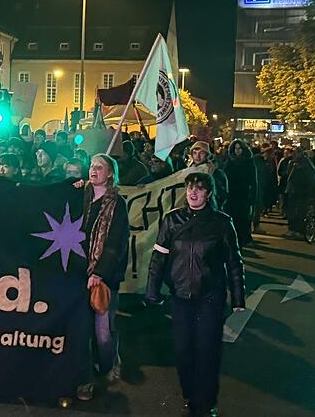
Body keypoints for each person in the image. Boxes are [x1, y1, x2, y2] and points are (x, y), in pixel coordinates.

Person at [146, 172, 246, 417]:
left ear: (209, 193)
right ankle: (190, 394)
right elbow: (158, 258)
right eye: (190, 187)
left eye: (200, 189)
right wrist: (152, 290)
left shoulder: (222, 223)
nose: (193, 192)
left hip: (210, 296)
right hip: (180, 296)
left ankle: (207, 400)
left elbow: (234, 262)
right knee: (183, 350)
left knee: (207, 350)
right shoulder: (171, 220)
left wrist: (238, 297)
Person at [76, 154, 130, 402]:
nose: (93, 170)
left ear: (110, 174)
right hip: (78, 274)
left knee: (103, 333)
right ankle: (86, 381)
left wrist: (100, 272)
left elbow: (116, 243)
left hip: (104, 277)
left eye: (100, 167)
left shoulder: (117, 204)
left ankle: (108, 363)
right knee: (82, 331)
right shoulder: (82, 196)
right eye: (91, 166)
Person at [224, 140, 257, 248]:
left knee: (242, 219)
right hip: (231, 195)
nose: (237, 151)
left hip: (243, 195)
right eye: (235, 149)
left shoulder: (249, 162)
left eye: (239, 148)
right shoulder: (229, 162)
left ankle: (242, 241)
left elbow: (253, 181)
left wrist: (253, 197)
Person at [285, 149, 315, 239]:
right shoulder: (293, 163)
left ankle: (298, 230)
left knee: (300, 211)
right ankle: (293, 229)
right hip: (295, 190)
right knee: (293, 211)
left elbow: (309, 178)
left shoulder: (305, 164)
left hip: (301, 191)